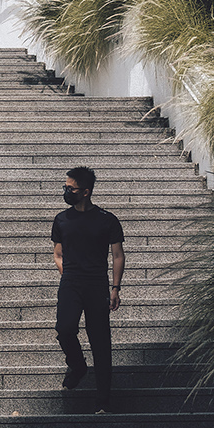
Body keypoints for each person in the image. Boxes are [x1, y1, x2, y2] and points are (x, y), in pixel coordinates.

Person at [50, 165, 125, 414]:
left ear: (85, 192)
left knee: (100, 342)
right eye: (65, 187)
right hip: (71, 282)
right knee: (64, 328)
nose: (66, 191)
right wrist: (69, 275)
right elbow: (58, 254)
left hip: (97, 284)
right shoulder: (61, 219)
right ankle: (78, 366)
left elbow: (117, 255)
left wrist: (115, 288)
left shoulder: (107, 220)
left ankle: (103, 402)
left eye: (70, 188)